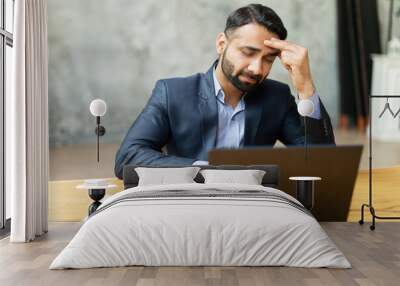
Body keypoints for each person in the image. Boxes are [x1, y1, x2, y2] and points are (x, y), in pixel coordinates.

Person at [114, 3, 335, 179]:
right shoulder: (172, 92)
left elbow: (319, 162)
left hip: (250, 210)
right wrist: (207, 170)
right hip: (189, 204)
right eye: (248, 52)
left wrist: (305, 85)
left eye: (268, 59)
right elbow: (128, 157)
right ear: (222, 44)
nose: (257, 68)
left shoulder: (276, 97)